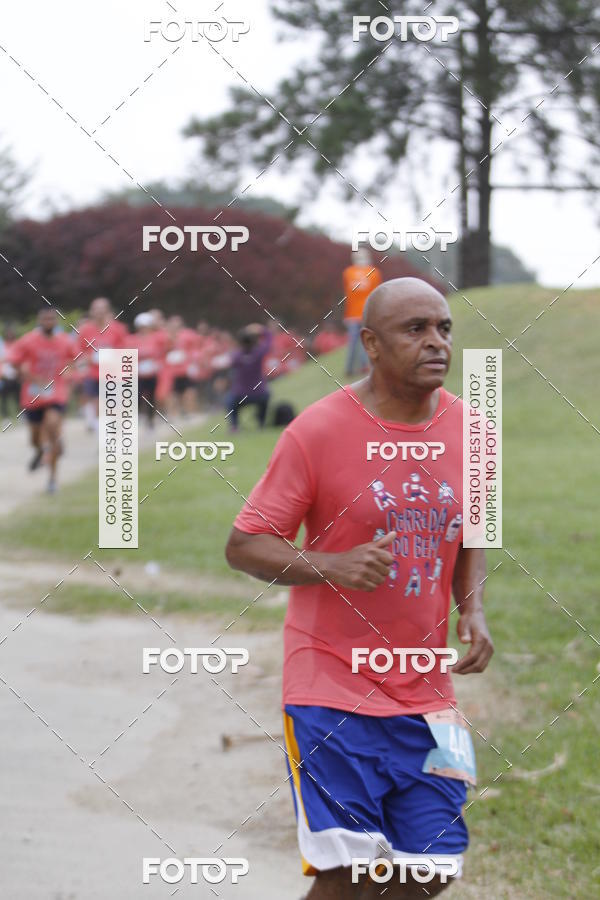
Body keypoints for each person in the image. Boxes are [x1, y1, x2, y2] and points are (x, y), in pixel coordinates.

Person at [225, 278, 494, 898]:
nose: (436, 343)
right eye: (415, 330)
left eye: (444, 328)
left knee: (430, 871)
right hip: (330, 687)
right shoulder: (318, 430)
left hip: (428, 694)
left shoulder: (474, 430)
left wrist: (472, 608)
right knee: (348, 873)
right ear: (370, 344)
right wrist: (332, 565)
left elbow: (476, 525)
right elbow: (245, 545)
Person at [8, 308, 75, 493]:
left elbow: (75, 359)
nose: (48, 322)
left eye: (52, 318)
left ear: (56, 321)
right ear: (39, 321)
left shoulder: (64, 341)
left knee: (52, 426)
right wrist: (23, 372)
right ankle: (39, 451)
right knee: (35, 438)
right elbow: (13, 361)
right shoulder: (28, 340)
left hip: (56, 391)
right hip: (33, 395)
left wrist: (70, 372)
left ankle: (52, 479)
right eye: (45, 319)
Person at [77, 297, 129, 432]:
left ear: (108, 311)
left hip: (114, 374)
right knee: (97, 405)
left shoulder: (118, 328)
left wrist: (111, 355)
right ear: (91, 312)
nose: (99, 312)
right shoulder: (85, 330)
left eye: (102, 309)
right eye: (96, 309)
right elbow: (78, 351)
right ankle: (103, 437)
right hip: (93, 374)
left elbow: (125, 349)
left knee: (114, 407)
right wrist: (89, 358)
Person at [225, 323, 274, 432]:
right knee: (267, 395)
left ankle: (234, 426)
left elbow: (228, 362)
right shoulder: (259, 353)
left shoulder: (236, 356)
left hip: (240, 396)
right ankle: (261, 423)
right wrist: (261, 329)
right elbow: (269, 339)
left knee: (228, 400)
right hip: (259, 394)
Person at [342, 248, 382, 375]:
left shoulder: (374, 272)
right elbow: (348, 294)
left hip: (368, 312)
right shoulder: (348, 272)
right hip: (352, 314)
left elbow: (377, 293)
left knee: (367, 340)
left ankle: (366, 366)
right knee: (353, 342)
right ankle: (349, 368)